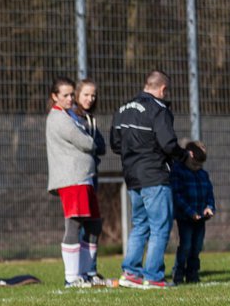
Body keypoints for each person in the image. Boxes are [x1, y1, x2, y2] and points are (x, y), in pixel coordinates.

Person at [110, 70, 188, 289]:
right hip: (154, 174)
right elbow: (168, 144)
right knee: (160, 226)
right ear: (162, 89)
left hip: (132, 175)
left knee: (140, 225)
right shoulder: (159, 109)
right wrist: (184, 157)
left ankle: (131, 272)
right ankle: (153, 276)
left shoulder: (123, 109)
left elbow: (115, 144)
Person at [45, 77, 107, 288]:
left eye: (72, 94)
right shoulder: (59, 118)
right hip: (72, 179)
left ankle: (87, 272)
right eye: (66, 95)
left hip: (84, 178)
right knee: (74, 224)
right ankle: (72, 277)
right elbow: (85, 141)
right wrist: (91, 141)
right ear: (55, 97)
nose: (71, 98)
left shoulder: (69, 115)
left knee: (94, 224)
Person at [72, 78, 110, 284]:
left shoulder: (91, 119)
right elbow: (84, 145)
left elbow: (100, 146)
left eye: (93, 95)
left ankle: (90, 270)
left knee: (94, 224)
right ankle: (77, 271)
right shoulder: (72, 118)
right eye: (86, 94)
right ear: (77, 95)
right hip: (78, 177)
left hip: (92, 176)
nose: (90, 98)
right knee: (79, 224)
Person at [171, 139, 216, 284]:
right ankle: (178, 273)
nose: (197, 167)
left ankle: (192, 273)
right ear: (188, 156)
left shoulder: (203, 175)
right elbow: (177, 195)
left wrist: (210, 207)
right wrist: (190, 212)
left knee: (196, 247)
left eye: (200, 165)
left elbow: (209, 193)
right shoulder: (178, 172)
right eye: (194, 164)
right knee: (185, 246)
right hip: (186, 218)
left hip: (200, 219)